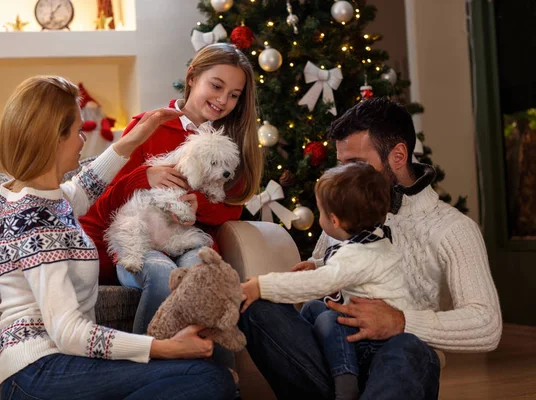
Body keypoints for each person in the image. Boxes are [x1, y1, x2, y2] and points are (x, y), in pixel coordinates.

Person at [238, 97, 502, 400]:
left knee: (409, 347)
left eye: (358, 165)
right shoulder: (346, 205)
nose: (346, 176)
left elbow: (487, 325)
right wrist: (316, 268)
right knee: (255, 305)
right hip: (337, 360)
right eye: (342, 165)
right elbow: (328, 273)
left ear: (399, 155)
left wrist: (402, 322)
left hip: (398, 364)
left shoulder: (454, 229)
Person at [0, 75, 236, 399]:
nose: (84, 140)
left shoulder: (49, 197)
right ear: (53, 138)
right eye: (78, 131)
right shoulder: (34, 219)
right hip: (39, 373)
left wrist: (134, 138)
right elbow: (68, 332)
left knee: (207, 378)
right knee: (208, 381)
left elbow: (86, 186)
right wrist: (163, 348)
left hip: (61, 363)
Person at [79, 43, 262, 339]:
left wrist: (199, 203)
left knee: (201, 278)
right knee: (162, 275)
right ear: (192, 78)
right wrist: (144, 176)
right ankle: (153, 366)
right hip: (139, 240)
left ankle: (208, 378)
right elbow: (105, 201)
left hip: (187, 242)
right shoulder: (148, 125)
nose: (222, 100)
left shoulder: (229, 141)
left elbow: (232, 207)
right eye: (216, 86)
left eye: (234, 95)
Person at [241, 162, 427, 400]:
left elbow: (321, 282)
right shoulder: (376, 241)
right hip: (372, 337)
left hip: (370, 344)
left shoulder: (357, 255)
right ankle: (325, 360)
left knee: (330, 317)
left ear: (334, 221)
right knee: (314, 308)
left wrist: (260, 286)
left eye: (319, 212)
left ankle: (345, 381)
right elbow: (353, 265)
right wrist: (318, 263)